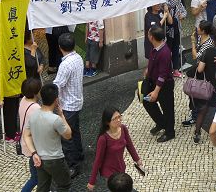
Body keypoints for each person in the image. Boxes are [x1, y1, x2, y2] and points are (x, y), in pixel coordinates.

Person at [23, 83, 72, 192]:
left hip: (40, 159)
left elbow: (26, 135)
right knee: (64, 185)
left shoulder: (34, 115)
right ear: (56, 100)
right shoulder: (55, 119)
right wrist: (62, 115)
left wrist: (34, 153)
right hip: (56, 160)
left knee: (42, 188)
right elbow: (68, 135)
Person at [53, 32, 84, 178]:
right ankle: (79, 154)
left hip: (68, 105)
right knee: (75, 130)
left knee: (66, 136)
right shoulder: (78, 57)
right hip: (77, 101)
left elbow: (58, 85)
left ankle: (73, 165)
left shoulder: (65, 65)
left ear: (60, 47)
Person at [87, 107, 142, 190]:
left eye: (119, 116)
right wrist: (92, 182)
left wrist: (137, 160)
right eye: (115, 119)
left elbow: (130, 145)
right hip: (109, 172)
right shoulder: (103, 138)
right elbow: (98, 160)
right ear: (107, 122)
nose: (119, 120)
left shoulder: (123, 128)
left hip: (121, 167)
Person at [193, 28, 216, 144]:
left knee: (203, 109)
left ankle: (197, 133)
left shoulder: (208, 51)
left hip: (207, 85)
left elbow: (199, 69)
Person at [142, 26, 175, 142]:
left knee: (167, 108)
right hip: (152, 81)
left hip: (164, 85)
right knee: (146, 100)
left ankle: (170, 132)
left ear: (151, 37)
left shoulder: (164, 52)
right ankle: (161, 123)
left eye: (148, 33)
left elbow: (163, 75)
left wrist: (156, 91)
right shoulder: (155, 48)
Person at [183, 20, 215, 127]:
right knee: (194, 92)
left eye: (199, 28)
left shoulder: (208, 44)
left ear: (204, 30)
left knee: (197, 92)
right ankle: (195, 113)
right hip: (198, 67)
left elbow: (195, 56)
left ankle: (196, 115)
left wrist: (192, 42)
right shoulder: (201, 38)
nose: (197, 28)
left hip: (202, 70)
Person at [19, 78, 42, 192]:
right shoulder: (35, 108)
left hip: (26, 143)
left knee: (37, 175)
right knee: (35, 178)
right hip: (35, 147)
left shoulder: (23, 100)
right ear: (35, 93)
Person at [0, 57, 19, 142]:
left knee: (14, 112)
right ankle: (10, 135)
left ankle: (14, 131)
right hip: (6, 93)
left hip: (15, 91)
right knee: (9, 113)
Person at [166, 0, 187, 77]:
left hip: (177, 29)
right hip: (168, 32)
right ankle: (166, 71)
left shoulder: (178, 0)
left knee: (175, 50)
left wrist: (182, 15)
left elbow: (184, 11)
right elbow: (171, 4)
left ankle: (176, 69)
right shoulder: (165, 2)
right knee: (167, 51)